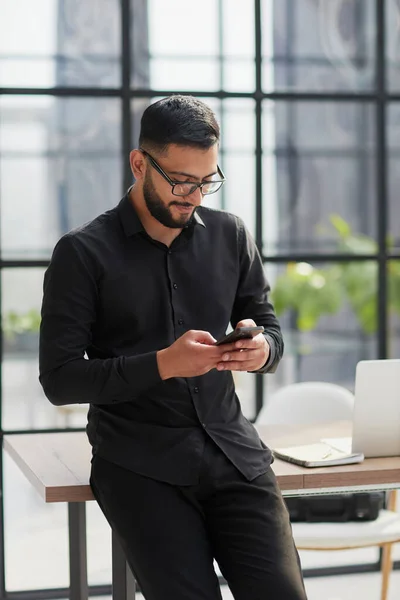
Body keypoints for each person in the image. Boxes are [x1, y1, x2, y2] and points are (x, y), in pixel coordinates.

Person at [39, 95, 307, 600]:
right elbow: (59, 379)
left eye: (207, 181)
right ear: (139, 163)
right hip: (140, 464)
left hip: (235, 454)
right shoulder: (82, 252)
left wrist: (261, 349)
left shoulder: (231, 235)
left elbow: (270, 329)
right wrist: (163, 364)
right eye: (181, 181)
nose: (194, 195)